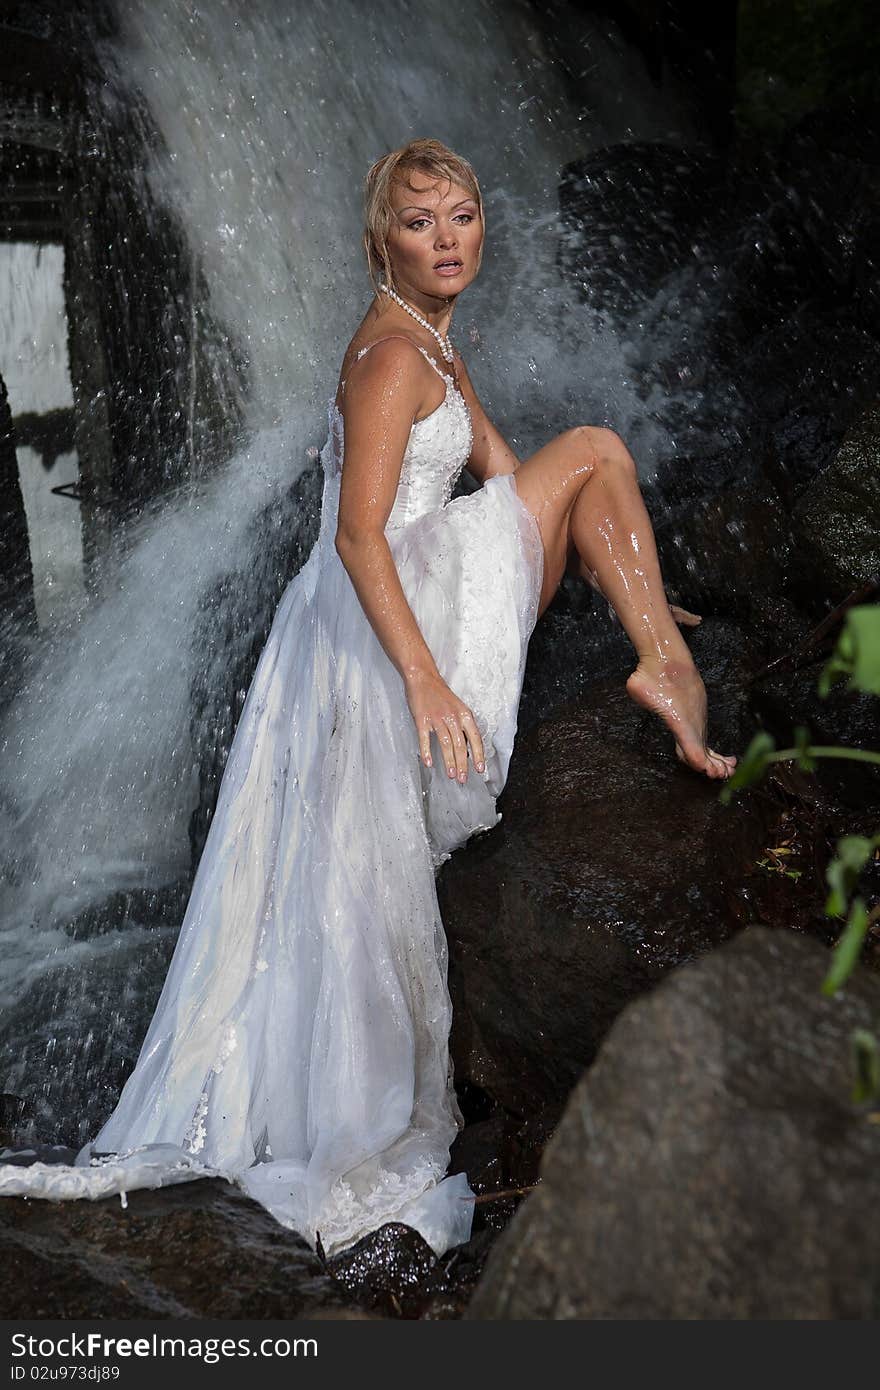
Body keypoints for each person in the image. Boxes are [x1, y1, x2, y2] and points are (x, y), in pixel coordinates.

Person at [0, 138, 735, 1260]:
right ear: (378, 240)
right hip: (385, 607)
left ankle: (655, 645)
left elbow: (499, 465)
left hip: (423, 577)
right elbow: (353, 537)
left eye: (463, 217)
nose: (448, 241)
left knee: (586, 460)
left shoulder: (434, 334)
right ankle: (660, 670)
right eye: (420, 223)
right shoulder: (392, 357)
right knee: (595, 446)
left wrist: (619, 562)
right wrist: (426, 676)